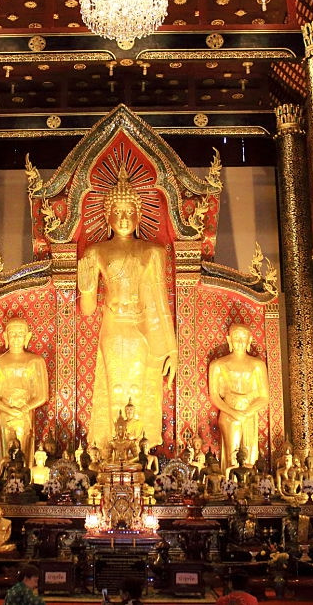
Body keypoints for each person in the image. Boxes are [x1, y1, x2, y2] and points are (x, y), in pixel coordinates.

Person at [79, 163, 178, 449]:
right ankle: (109, 449)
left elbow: (160, 303)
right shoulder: (95, 252)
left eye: (129, 211)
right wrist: (86, 285)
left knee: (139, 384)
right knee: (115, 385)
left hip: (141, 328)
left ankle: (139, 448)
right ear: (107, 215)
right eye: (117, 212)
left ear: (139, 214)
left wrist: (170, 349)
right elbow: (87, 309)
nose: (123, 218)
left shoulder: (153, 252)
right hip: (113, 325)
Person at [0, 318, 50, 462]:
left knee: (22, 453)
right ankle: (3, 479)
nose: (16, 338)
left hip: (25, 413)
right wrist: (8, 409)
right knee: (6, 453)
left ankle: (24, 480)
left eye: (20, 334)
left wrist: (24, 409)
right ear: (5, 336)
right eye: (12, 333)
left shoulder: (36, 361)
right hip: (5, 413)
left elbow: (42, 396)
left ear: (27, 337)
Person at [208, 324, 269, 469]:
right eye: (236, 337)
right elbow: (214, 396)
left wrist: (246, 412)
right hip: (229, 412)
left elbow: (264, 397)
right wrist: (234, 412)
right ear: (229, 340)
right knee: (233, 457)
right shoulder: (217, 365)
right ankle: (230, 487)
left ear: (249, 340)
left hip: (249, 412)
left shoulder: (258, 365)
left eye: (244, 338)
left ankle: (250, 488)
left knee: (250, 457)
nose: (240, 342)